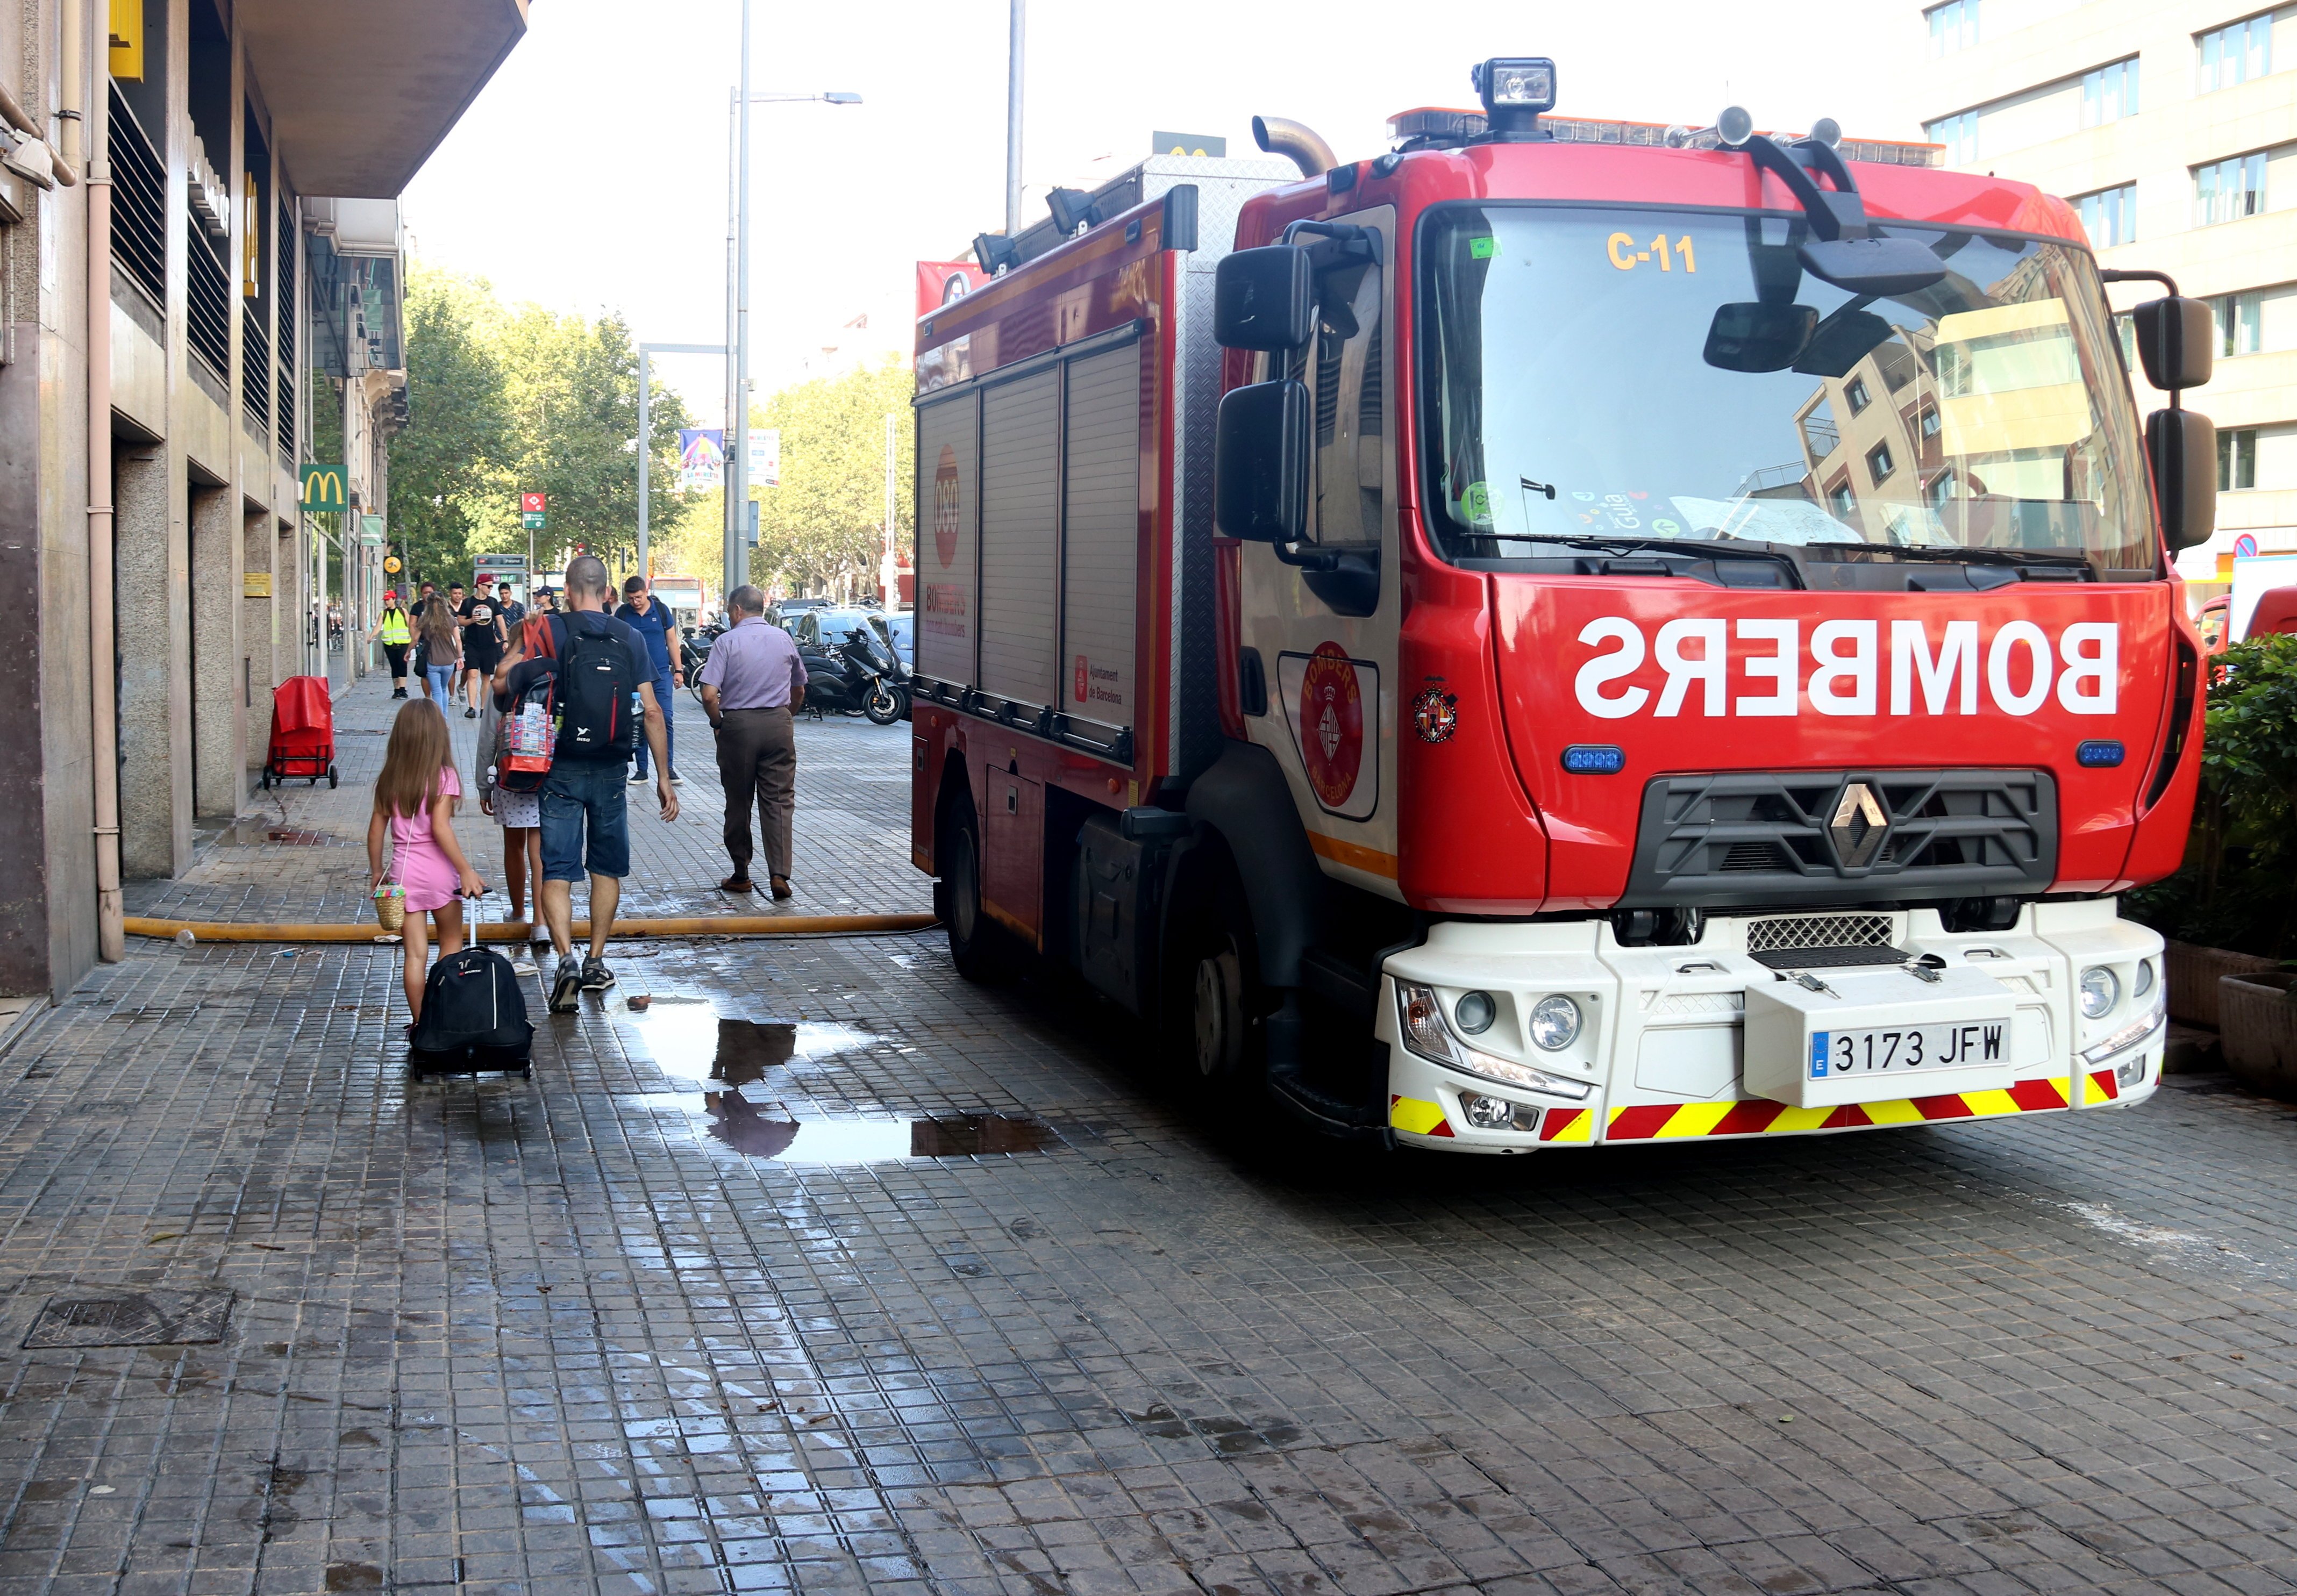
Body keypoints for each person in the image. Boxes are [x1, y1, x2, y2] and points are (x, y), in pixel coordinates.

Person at [491, 554, 677, 1012]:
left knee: (556, 868)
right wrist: (662, 777)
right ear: (607, 591)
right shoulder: (631, 635)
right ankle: (596, 959)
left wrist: (524, 634)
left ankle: (566, 959)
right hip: (613, 768)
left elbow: (501, 684)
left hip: (560, 767)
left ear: (570, 590)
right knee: (606, 867)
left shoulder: (550, 630)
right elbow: (652, 711)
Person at [366, 698, 486, 1035]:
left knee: (414, 956)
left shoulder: (389, 779)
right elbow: (440, 828)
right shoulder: (444, 777)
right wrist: (465, 869)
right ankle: (445, 1014)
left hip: (402, 875)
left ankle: (422, 1024)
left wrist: (378, 873)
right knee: (450, 945)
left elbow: (376, 831)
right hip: (438, 874)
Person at [698, 584, 806, 899]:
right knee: (779, 801)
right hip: (778, 725)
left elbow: (708, 695)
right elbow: (799, 688)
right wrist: (787, 716)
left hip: (739, 728)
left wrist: (718, 723)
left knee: (739, 801)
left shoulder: (726, 642)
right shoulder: (784, 639)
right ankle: (780, 875)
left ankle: (741, 873)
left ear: (736, 610)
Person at [475, 619, 550, 951]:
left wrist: (483, 784)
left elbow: (489, 735)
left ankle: (518, 910)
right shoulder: (553, 672)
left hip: (510, 772)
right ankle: (541, 922)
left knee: (513, 846)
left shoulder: (505, 677)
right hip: (547, 772)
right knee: (540, 849)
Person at [615, 575, 684, 786]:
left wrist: (679, 670)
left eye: (638, 597)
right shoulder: (623, 613)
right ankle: (642, 770)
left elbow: (672, 641)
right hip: (634, 676)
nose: (635, 602)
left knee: (666, 719)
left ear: (646, 592)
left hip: (661, 674)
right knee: (639, 720)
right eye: (631, 598)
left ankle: (668, 768)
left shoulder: (661, 611)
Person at [459, 576, 508, 720]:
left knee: (486, 677)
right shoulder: (468, 602)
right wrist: (471, 620)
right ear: (480, 586)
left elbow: (500, 621)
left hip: (489, 645)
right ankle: (471, 707)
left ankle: (483, 708)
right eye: (488, 586)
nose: (491, 589)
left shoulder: (493, 603)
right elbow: (460, 620)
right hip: (472, 644)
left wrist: (505, 640)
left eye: (492, 586)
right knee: (472, 674)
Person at [417, 594, 461, 705]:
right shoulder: (451, 619)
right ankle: (444, 719)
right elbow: (458, 640)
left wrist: (408, 652)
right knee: (444, 690)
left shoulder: (424, 620)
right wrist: (460, 657)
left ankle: (439, 719)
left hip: (433, 661)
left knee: (436, 692)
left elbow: (415, 639)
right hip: (449, 661)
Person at [378, 591, 412, 699]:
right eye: (385, 601)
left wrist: (415, 639)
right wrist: (370, 637)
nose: (387, 602)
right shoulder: (384, 614)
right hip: (389, 644)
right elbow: (378, 627)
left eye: (389, 600)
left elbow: (410, 625)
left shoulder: (403, 611)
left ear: (394, 600)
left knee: (402, 665)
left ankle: (403, 689)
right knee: (394, 667)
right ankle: (396, 690)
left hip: (403, 643)